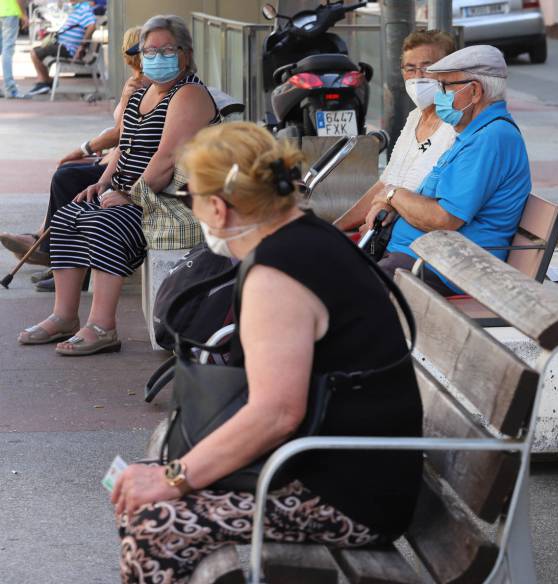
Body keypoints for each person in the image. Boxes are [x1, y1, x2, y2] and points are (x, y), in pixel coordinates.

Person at [111, 122, 423, 583]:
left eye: (189, 198)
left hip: (346, 493)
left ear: (218, 207)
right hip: (344, 465)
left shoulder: (277, 275)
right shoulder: (305, 237)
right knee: (149, 495)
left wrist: (174, 477)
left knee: (154, 523)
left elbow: (276, 414)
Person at [16, 14, 219, 354]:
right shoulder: (142, 94)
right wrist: (102, 183)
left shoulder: (189, 94)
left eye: (166, 50)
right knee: (68, 216)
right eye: (149, 50)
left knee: (106, 223)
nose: (156, 57)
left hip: (168, 199)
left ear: (185, 54)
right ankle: (64, 316)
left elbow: (166, 158)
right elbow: (124, 148)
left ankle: (102, 326)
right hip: (132, 190)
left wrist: (131, 195)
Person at [365, 44, 532, 296]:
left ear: (474, 91)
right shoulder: (474, 134)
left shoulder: (491, 138)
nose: (438, 96)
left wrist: (392, 194)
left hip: (446, 267)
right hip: (425, 257)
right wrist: (393, 200)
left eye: (445, 87)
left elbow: (444, 219)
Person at [0, 25, 145, 278]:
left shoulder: (140, 86)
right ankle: (44, 239)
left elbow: (122, 133)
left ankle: (52, 251)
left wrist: (84, 149)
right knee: (67, 172)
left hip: (128, 168)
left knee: (66, 177)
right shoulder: (135, 82)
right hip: (116, 159)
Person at [334, 30, 456, 232]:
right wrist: (337, 228)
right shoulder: (414, 117)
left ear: (449, 70)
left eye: (427, 68)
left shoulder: (456, 127)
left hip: (416, 239)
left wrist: (388, 201)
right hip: (386, 232)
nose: (418, 77)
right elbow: (386, 182)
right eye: (410, 68)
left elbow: (438, 208)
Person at [26, 0, 97, 97]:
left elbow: (92, 26)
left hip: (67, 48)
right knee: (39, 50)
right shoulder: (77, 9)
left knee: (34, 53)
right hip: (62, 46)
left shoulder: (84, 9)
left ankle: (44, 82)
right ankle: (45, 81)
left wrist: (82, 46)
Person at [0, 0, 26, 98]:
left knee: (3, 48)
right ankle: (10, 89)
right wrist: (23, 15)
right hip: (10, 12)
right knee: (7, 49)